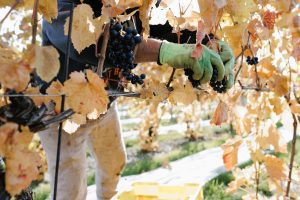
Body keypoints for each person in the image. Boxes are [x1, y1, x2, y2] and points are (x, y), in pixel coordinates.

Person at [39, 0, 235, 200]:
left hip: (103, 101)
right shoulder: (60, 4)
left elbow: (162, 27)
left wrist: (208, 40)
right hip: (63, 111)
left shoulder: (128, 3)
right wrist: (164, 51)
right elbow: (85, 41)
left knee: (114, 162)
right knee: (70, 188)